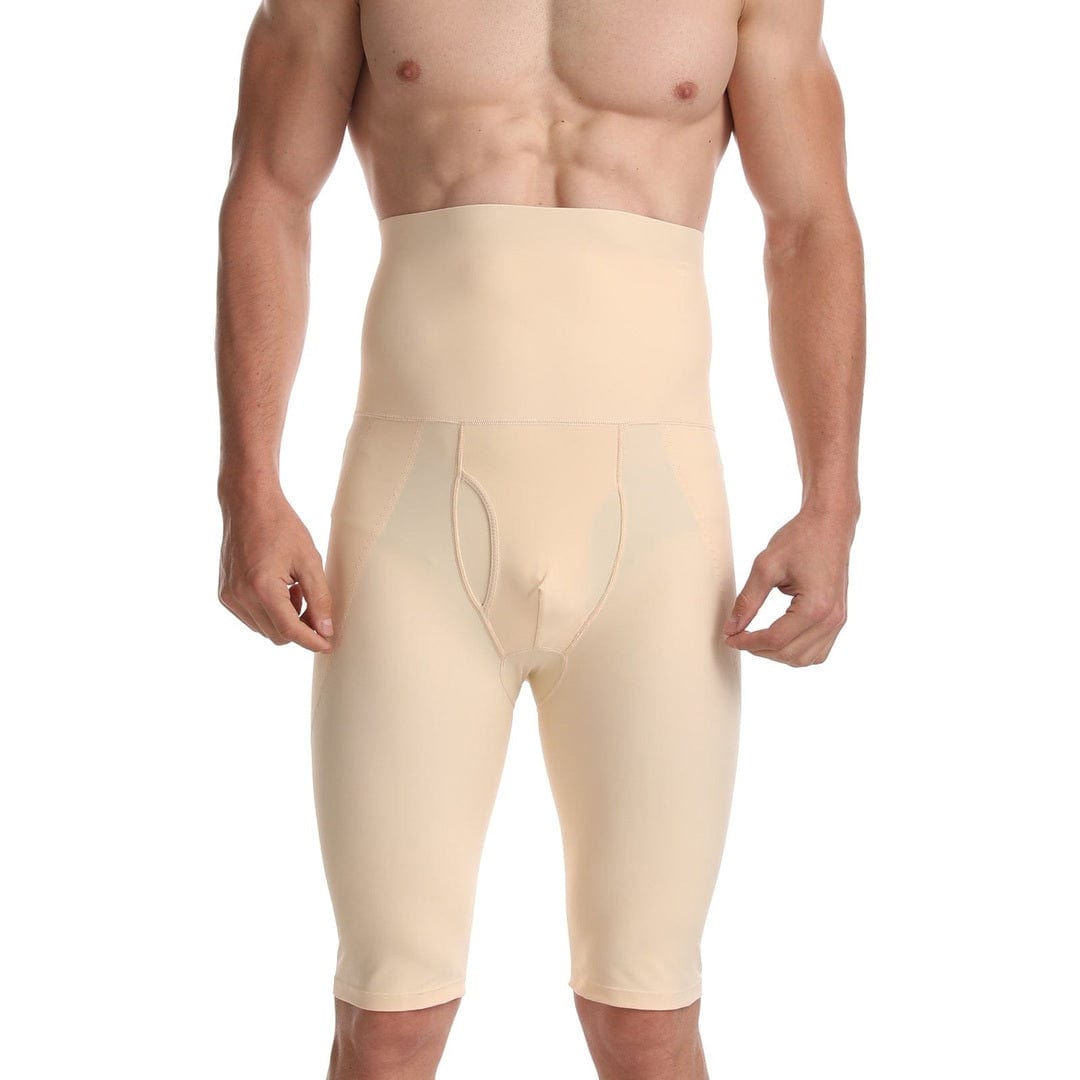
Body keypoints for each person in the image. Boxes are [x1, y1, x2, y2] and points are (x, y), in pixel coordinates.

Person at [214, 0, 865, 1075]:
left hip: (657, 538)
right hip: (410, 529)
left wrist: (831, 503)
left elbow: (809, 222)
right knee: (389, 1015)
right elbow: (269, 193)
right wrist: (249, 487)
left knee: (648, 1013)